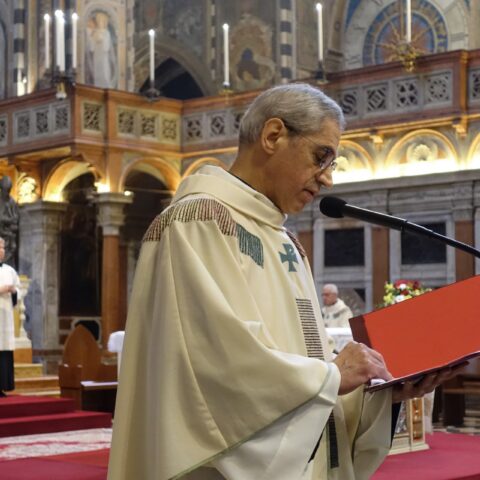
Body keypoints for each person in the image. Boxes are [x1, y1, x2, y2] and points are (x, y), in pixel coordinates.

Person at [108, 83, 458, 480]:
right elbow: (216, 369)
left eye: (332, 164)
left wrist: (379, 394)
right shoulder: (198, 222)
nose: (326, 179)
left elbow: (308, 367)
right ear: (273, 135)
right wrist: (332, 376)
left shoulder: (285, 242)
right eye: (320, 156)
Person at [0, 237, 20, 397]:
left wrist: (14, 291)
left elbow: (19, 291)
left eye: (3, 247)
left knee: (4, 350)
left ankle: (3, 386)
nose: (2, 250)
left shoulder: (9, 270)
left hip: (5, 316)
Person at [0, 176, 19, 268]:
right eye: (5, 190)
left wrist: (11, 221)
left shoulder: (12, 202)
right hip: (1, 231)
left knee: (12, 248)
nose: (7, 193)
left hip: (9, 233)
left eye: (8, 190)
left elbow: (15, 217)